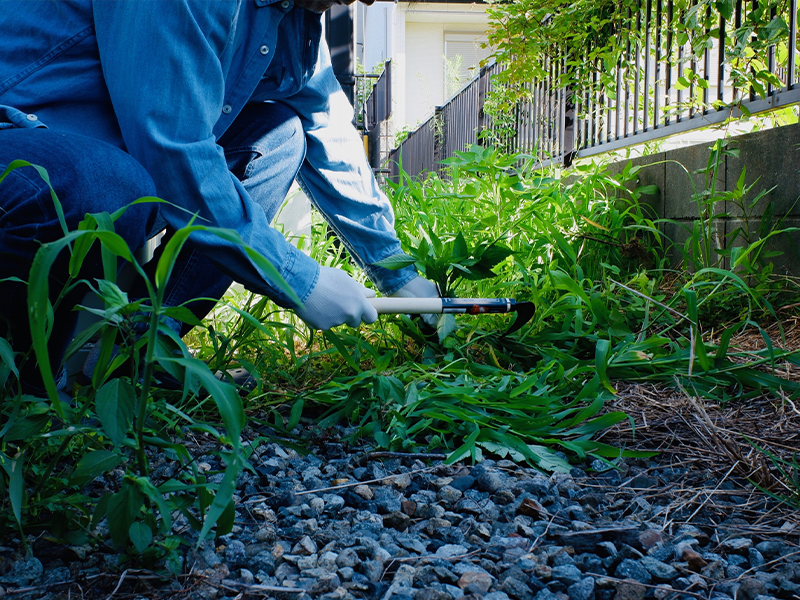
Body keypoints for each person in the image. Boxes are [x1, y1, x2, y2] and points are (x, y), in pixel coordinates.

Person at [0, 0, 438, 393]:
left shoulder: (294, 14)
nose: (361, 0)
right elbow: (172, 148)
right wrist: (296, 279)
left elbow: (325, 125)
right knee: (105, 179)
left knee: (278, 136)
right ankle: (29, 392)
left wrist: (396, 272)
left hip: (110, 162)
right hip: (21, 146)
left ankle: (141, 348)